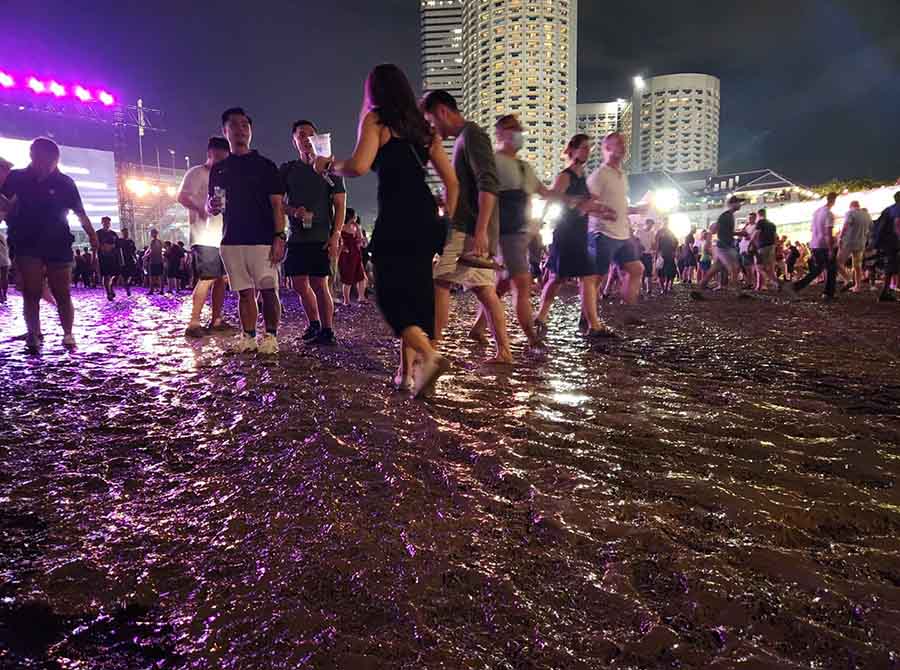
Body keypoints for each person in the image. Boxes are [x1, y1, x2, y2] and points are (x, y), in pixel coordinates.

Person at [315, 63, 459, 396]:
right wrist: (446, 219)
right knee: (418, 293)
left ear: (373, 92)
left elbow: (358, 166)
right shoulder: (424, 128)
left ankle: (429, 355)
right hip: (426, 215)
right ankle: (411, 374)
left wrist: (330, 165)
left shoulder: (377, 120)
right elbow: (452, 182)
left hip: (396, 214)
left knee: (390, 297)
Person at [421, 90, 512, 364]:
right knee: (484, 290)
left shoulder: (472, 135)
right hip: (468, 227)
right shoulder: (465, 137)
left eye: (431, 121)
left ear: (441, 111)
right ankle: (504, 351)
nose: (432, 128)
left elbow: (489, 183)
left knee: (440, 282)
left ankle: (431, 351)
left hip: (468, 230)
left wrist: (482, 231)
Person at [469, 114, 572, 347]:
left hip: (521, 232)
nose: (517, 133)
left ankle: (478, 328)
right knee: (522, 282)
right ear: (500, 133)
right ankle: (531, 337)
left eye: (518, 129)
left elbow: (544, 191)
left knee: (504, 284)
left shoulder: (524, 167)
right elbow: (483, 195)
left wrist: (575, 199)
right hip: (506, 233)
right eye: (512, 129)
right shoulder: (493, 162)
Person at [0, 137, 98, 351]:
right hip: (27, 242)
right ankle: (34, 335)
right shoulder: (16, 178)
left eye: (48, 162)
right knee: (31, 292)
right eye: (38, 160)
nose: (42, 166)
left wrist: (92, 234)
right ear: (31, 156)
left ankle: (68, 334)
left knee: (62, 292)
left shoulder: (65, 182)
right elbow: (3, 204)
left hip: (59, 242)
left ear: (56, 160)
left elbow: (79, 211)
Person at [207, 107, 286, 355]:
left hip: (262, 239)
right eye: (235, 125)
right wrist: (210, 206)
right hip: (231, 239)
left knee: (268, 289)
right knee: (243, 293)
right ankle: (249, 336)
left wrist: (279, 236)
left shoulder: (265, 166)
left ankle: (271, 336)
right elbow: (213, 205)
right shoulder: (219, 169)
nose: (241, 130)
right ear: (225, 131)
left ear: (250, 131)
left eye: (245, 125)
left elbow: (277, 205)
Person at [280, 119, 346, 345]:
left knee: (320, 283)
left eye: (310, 134)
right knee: (298, 284)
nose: (306, 138)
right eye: (301, 134)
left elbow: (340, 203)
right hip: (296, 236)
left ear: (317, 140)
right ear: (294, 140)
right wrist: (293, 211)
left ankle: (327, 330)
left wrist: (336, 234)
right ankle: (314, 323)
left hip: (321, 236)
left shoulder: (330, 167)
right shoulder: (288, 169)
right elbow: (278, 203)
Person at [534, 134, 601, 335]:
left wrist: (601, 210)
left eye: (589, 148)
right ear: (571, 150)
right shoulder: (565, 176)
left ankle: (542, 316)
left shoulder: (584, 178)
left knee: (563, 278)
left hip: (579, 232)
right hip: (566, 232)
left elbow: (586, 204)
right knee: (567, 277)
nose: (587, 151)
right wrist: (540, 221)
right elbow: (553, 198)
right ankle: (593, 325)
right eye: (583, 147)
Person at [582, 132, 646, 335]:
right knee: (595, 278)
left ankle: (627, 311)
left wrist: (635, 210)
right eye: (617, 143)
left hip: (622, 234)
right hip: (602, 233)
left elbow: (620, 205)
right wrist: (602, 211)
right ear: (606, 148)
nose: (623, 146)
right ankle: (589, 321)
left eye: (624, 143)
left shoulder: (622, 175)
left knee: (636, 269)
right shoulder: (600, 175)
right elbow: (587, 204)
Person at [177, 136, 231, 337]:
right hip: (203, 235)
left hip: (223, 235)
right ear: (210, 154)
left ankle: (216, 319)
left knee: (221, 280)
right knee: (207, 278)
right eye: (218, 158)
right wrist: (200, 208)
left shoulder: (225, 177)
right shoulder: (196, 173)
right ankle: (194, 322)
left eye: (224, 159)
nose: (220, 163)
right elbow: (182, 197)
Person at [785, 192, 838, 301]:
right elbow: (828, 233)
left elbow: (813, 229)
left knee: (818, 269)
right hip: (823, 245)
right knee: (831, 268)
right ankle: (828, 293)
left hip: (815, 244)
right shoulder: (829, 214)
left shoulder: (817, 212)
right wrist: (831, 249)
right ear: (833, 200)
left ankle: (797, 286)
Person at [692, 196, 747, 298]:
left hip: (723, 246)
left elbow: (719, 230)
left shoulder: (728, 215)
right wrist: (740, 233)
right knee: (734, 268)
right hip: (724, 246)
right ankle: (737, 292)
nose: (740, 205)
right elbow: (719, 230)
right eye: (738, 203)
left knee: (713, 270)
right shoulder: (726, 216)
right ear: (732, 204)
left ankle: (698, 290)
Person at [837, 201, 871, 293]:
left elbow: (846, 226)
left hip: (849, 242)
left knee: (838, 262)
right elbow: (871, 228)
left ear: (851, 206)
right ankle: (858, 287)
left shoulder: (850, 213)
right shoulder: (866, 215)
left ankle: (848, 280)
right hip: (861, 243)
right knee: (857, 266)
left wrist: (840, 237)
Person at [338, 208, 369, 306]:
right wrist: (342, 248)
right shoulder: (341, 227)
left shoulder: (355, 227)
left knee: (361, 277)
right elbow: (339, 241)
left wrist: (358, 229)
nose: (356, 217)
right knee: (347, 279)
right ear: (351, 216)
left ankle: (361, 297)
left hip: (356, 254)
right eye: (354, 215)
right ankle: (346, 301)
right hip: (347, 256)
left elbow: (360, 240)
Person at [874, 192, 900, 301]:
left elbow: (879, 226)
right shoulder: (897, 209)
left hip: (888, 243)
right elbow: (897, 224)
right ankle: (885, 292)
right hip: (895, 242)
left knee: (891, 266)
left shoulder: (889, 209)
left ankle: (885, 291)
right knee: (892, 266)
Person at [752, 208, 779, 291]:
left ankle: (765, 283)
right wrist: (775, 246)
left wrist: (751, 243)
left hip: (762, 247)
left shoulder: (760, 222)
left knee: (759, 267)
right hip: (771, 247)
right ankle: (776, 284)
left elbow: (756, 234)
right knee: (770, 268)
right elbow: (775, 236)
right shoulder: (772, 224)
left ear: (759, 215)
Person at [96, 216, 121, 300]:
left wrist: (112, 247)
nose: (106, 224)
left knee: (116, 274)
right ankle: (108, 292)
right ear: (102, 223)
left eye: (108, 222)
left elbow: (118, 245)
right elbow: (95, 245)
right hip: (103, 257)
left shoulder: (113, 234)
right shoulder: (98, 233)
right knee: (106, 275)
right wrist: (102, 247)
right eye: (105, 222)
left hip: (113, 257)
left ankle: (111, 287)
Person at [655, 219, 678, 294]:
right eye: (665, 222)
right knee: (661, 272)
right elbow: (656, 243)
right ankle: (662, 288)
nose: (666, 224)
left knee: (669, 272)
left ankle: (666, 286)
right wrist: (657, 253)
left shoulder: (670, 232)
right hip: (662, 254)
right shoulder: (659, 232)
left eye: (667, 223)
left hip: (669, 254)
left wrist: (674, 251)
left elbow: (675, 242)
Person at [635, 218, 655, 296]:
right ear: (646, 224)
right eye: (650, 224)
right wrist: (639, 246)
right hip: (640, 254)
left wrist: (653, 249)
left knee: (649, 272)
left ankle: (649, 289)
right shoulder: (639, 231)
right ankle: (639, 289)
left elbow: (653, 244)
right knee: (639, 272)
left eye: (652, 225)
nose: (651, 226)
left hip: (648, 254)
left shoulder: (652, 233)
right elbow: (635, 240)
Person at [117, 228, 137, 296]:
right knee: (124, 274)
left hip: (130, 259)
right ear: (122, 233)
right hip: (123, 260)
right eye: (124, 232)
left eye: (127, 232)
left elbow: (133, 251)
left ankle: (127, 283)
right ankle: (127, 288)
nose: (126, 234)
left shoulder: (131, 241)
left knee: (132, 273)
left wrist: (136, 259)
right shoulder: (120, 241)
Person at [145, 228, 164, 294]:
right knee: (160, 276)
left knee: (152, 276)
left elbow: (152, 251)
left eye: (151, 233)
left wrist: (145, 256)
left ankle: (151, 290)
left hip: (154, 261)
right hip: (160, 260)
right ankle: (161, 290)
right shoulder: (160, 241)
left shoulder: (152, 241)